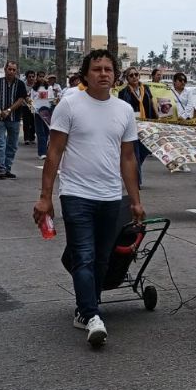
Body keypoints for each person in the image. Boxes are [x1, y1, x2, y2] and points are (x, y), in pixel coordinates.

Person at [33, 49, 144, 347]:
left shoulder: (123, 110)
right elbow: (54, 152)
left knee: (102, 258)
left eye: (108, 69)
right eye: (97, 69)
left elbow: (128, 158)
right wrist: (45, 198)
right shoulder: (69, 105)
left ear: (115, 75)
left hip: (110, 195)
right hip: (76, 193)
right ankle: (93, 315)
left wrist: (135, 201)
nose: (103, 74)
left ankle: (85, 310)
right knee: (83, 254)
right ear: (85, 74)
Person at [118, 68, 157, 186]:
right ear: (127, 78)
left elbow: (152, 103)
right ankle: (136, 181)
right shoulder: (123, 92)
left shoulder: (146, 89)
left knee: (145, 150)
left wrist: (156, 118)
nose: (134, 77)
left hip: (147, 124)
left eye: (136, 74)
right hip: (132, 125)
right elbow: (121, 110)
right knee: (135, 153)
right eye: (131, 75)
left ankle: (133, 173)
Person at [0, 61, 28, 179]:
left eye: (13, 70)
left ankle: (8, 168)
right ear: (5, 69)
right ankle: (1, 169)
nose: (11, 72)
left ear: (16, 71)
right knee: (0, 143)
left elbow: (21, 99)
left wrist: (9, 110)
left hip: (14, 118)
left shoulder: (20, 84)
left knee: (12, 144)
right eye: (9, 69)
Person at [31, 75, 58, 160]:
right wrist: (33, 109)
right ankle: (42, 152)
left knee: (46, 131)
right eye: (40, 76)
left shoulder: (49, 88)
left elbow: (51, 99)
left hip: (47, 111)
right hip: (38, 112)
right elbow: (31, 100)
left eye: (43, 76)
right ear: (37, 78)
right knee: (40, 132)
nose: (41, 78)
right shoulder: (34, 89)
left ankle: (46, 150)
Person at [21, 70, 37, 146]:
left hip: (34, 106)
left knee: (33, 122)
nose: (31, 78)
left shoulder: (37, 85)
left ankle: (32, 138)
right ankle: (26, 139)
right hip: (25, 105)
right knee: (26, 122)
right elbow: (22, 95)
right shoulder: (23, 85)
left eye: (33, 77)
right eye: (29, 77)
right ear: (27, 77)